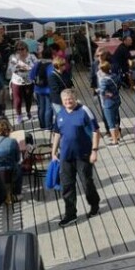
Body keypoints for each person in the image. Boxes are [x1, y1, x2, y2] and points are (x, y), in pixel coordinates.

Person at [50, 89, 101, 227]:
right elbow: (57, 133)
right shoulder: (60, 113)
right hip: (65, 155)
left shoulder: (84, 111)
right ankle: (70, 214)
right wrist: (53, 151)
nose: (68, 102)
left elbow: (96, 131)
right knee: (67, 186)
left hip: (83, 155)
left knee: (87, 183)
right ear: (62, 101)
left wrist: (94, 151)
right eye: (65, 100)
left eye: (70, 99)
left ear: (75, 98)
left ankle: (94, 204)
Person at [7, 41, 37, 124]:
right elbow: (11, 68)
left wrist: (28, 67)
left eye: (22, 49)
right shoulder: (13, 57)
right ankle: (19, 115)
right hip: (17, 81)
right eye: (18, 49)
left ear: (26, 49)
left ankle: (28, 112)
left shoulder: (32, 56)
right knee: (17, 99)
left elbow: (36, 66)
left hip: (29, 81)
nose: (20, 51)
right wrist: (18, 67)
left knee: (28, 98)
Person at [96, 60, 122, 146]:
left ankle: (114, 141)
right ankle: (118, 135)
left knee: (110, 122)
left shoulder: (104, 80)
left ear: (102, 70)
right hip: (116, 100)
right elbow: (119, 83)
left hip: (108, 103)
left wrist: (99, 91)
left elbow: (103, 91)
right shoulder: (114, 76)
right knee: (116, 119)